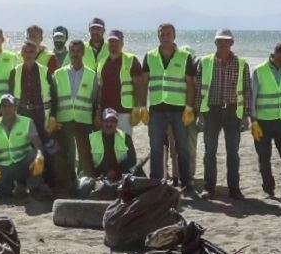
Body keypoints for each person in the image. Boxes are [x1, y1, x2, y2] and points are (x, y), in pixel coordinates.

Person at [195, 29, 250, 199]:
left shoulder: (241, 63)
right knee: (210, 152)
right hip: (211, 110)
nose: (222, 44)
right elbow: (198, 89)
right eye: (219, 40)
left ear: (232, 43)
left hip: (233, 111)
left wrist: (246, 116)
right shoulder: (204, 62)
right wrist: (200, 114)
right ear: (215, 42)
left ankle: (234, 189)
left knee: (233, 152)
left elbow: (247, 90)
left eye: (226, 41)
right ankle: (208, 188)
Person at [143, 23, 198, 189]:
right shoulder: (150, 56)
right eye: (162, 33)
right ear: (158, 35)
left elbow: (190, 84)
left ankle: (186, 182)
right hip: (157, 109)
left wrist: (189, 107)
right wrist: (140, 106)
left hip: (178, 110)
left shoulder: (184, 56)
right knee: (156, 147)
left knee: (182, 147)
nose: (165, 36)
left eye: (168, 33)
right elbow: (143, 82)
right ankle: (156, 183)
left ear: (174, 36)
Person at [250, 42, 281, 198]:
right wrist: (253, 120)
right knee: (264, 157)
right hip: (263, 121)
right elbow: (252, 96)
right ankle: (268, 189)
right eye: (280, 60)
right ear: (274, 54)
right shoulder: (259, 70)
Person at [0, 93, 49, 198]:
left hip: (23, 163)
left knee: (35, 155)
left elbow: (38, 144)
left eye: (10, 106)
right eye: (4, 106)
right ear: (0, 108)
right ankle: (12, 187)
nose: (7, 109)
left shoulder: (27, 122)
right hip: (5, 166)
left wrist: (39, 156)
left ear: (15, 107)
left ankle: (33, 187)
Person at [49, 39, 97, 184]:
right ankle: (67, 182)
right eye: (72, 51)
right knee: (65, 154)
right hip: (64, 119)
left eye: (78, 51)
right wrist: (52, 117)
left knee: (85, 154)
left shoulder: (92, 74)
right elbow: (54, 97)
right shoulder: (58, 74)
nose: (75, 54)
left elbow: (94, 99)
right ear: (68, 52)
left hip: (84, 119)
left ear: (83, 53)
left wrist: (96, 118)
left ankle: (83, 183)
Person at [98, 29, 143, 139]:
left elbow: (138, 86)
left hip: (124, 110)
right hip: (106, 111)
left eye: (116, 41)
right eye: (111, 41)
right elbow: (99, 87)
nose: (113, 44)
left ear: (122, 43)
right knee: (108, 143)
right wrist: (98, 109)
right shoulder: (102, 61)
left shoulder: (131, 60)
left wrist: (137, 108)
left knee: (124, 142)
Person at [12, 39, 53, 140]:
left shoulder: (45, 71)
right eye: (25, 52)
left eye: (31, 52)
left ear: (36, 53)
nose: (28, 55)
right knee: (23, 143)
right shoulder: (15, 71)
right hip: (22, 113)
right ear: (21, 53)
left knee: (44, 144)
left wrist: (53, 117)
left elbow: (54, 95)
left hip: (41, 115)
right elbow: (10, 95)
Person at [86, 108, 138, 180]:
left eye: (112, 121)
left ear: (116, 123)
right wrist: (101, 174)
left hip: (122, 176)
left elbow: (132, 159)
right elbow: (86, 162)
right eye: (106, 121)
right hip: (98, 177)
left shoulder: (126, 137)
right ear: (102, 122)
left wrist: (115, 171)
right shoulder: (91, 138)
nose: (109, 124)